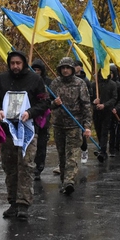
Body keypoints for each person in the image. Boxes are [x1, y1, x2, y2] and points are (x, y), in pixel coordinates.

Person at [0, 50, 51, 221]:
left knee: (26, 166)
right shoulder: (0, 80)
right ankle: (13, 202)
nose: (15, 66)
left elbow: (44, 102)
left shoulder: (35, 80)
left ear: (23, 64)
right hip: (7, 131)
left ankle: (23, 204)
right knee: (10, 167)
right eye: (12, 63)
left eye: (18, 63)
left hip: (28, 130)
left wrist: (30, 112)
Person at [50, 57, 94, 195]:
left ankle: (69, 181)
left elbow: (86, 105)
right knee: (62, 154)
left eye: (68, 67)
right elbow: (46, 103)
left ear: (72, 69)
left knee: (72, 154)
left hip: (74, 124)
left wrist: (87, 126)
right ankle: (64, 180)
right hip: (58, 124)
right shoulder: (55, 83)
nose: (65, 70)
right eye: (63, 68)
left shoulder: (80, 83)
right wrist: (54, 104)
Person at [91, 65, 120, 157]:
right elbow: (89, 98)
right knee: (98, 130)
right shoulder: (94, 84)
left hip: (107, 112)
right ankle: (101, 147)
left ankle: (103, 151)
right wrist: (94, 102)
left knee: (104, 131)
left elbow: (114, 98)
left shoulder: (113, 84)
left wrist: (105, 105)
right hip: (96, 112)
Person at [29, 58, 52, 180]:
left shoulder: (48, 82)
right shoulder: (28, 81)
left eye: (38, 69)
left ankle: (39, 165)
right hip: (31, 116)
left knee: (41, 143)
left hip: (44, 117)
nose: (36, 72)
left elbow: (52, 100)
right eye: (34, 69)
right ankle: (30, 165)